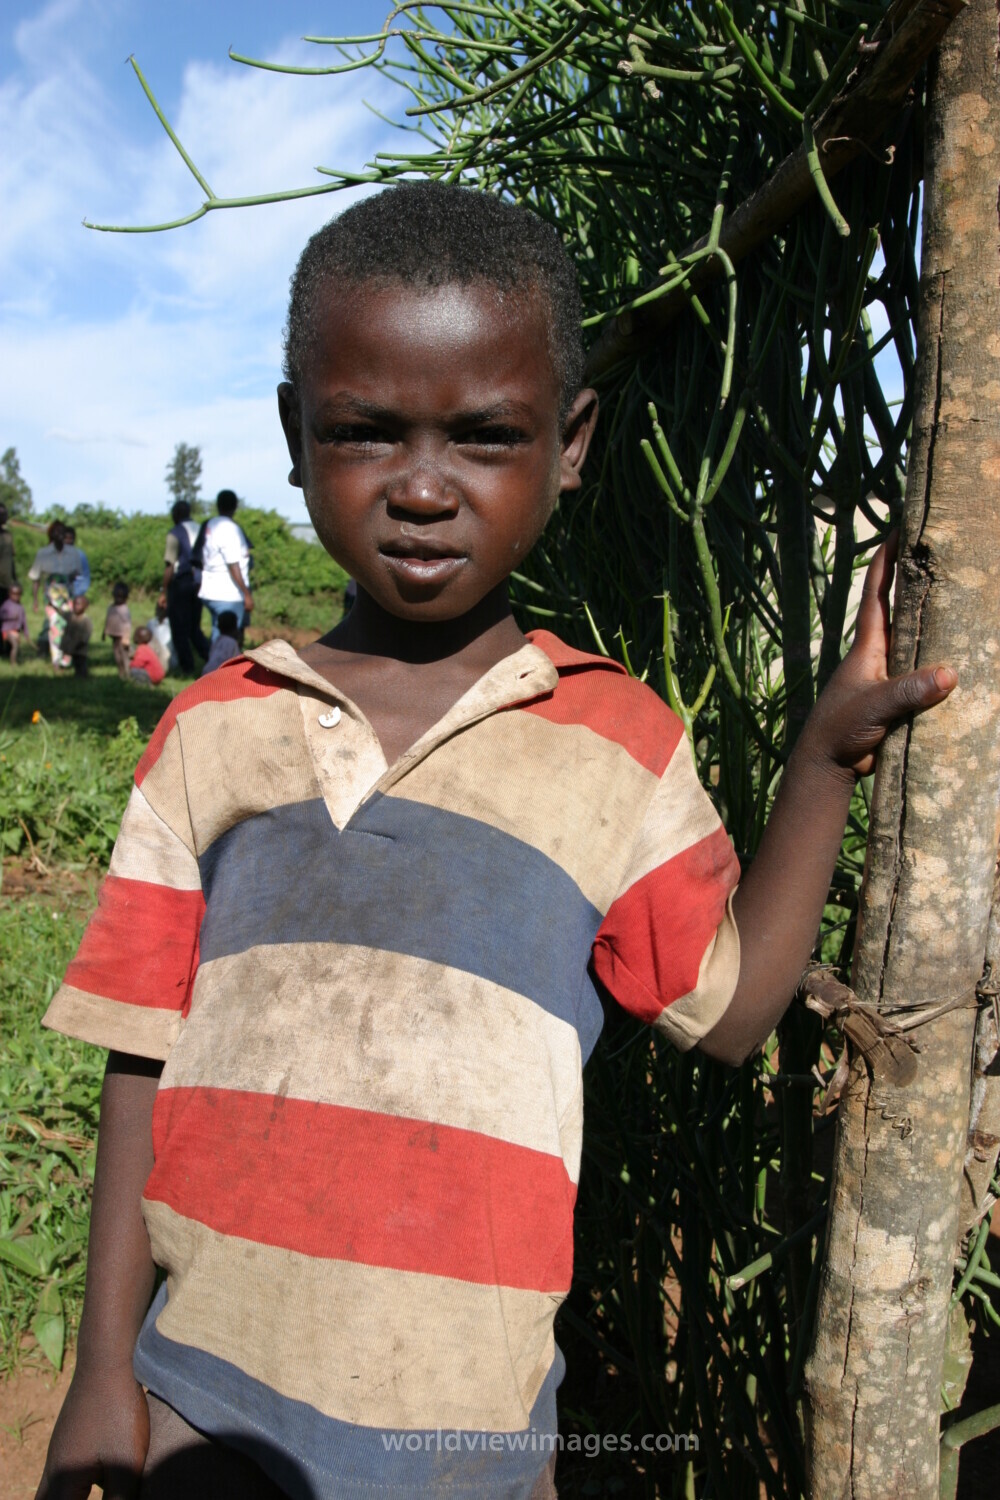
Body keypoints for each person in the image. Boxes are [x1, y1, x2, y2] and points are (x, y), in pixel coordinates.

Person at [35, 184, 957, 1500]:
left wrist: (821, 760)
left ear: (570, 444)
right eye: (364, 432)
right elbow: (143, 1057)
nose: (421, 487)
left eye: (484, 436)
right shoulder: (211, 733)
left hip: (466, 1439)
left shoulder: (618, 744)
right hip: (203, 1402)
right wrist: (99, 1381)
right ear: (296, 438)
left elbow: (737, 1010)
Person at [196, 489, 253, 641]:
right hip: (228, 594)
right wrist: (246, 594)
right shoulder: (229, 528)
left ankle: (214, 663)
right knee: (228, 640)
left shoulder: (210, 524)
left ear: (218, 505)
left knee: (218, 635)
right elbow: (233, 564)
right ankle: (220, 665)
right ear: (235, 506)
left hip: (210, 591)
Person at [160, 500, 207, 673]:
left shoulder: (175, 533)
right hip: (200, 582)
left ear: (177, 514)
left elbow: (170, 565)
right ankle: (209, 657)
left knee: (179, 626)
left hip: (182, 582)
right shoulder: (200, 528)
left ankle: (187, 666)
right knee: (195, 626)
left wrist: (163, 590)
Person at [28, 520, 82, 669]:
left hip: (67, 594)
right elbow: (36, 579)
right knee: (54, 625)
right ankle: (56, 661)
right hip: (50, 596)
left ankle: (66, 658)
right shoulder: (43, 553)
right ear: (51, 534)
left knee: (68, 626)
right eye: (56, 532)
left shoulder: (73, 553)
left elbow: (77, 575)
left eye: (62, 532)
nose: (59, 535)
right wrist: (35, 600)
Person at [58, 595, 93, 678]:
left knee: (81, 662)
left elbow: (87, 634)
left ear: (86, 606)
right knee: (75, 663)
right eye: (74, 604)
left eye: (79, 604)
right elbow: (61, 613)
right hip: (71, 645)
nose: (76, 606)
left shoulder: (86, 620)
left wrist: (81, 642)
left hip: (80, 647)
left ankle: (83, 676)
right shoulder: (70, 616)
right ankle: (77, 675)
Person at [103, 581, 132, 681]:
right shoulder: (111, 607)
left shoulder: (124, 610)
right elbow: (107, 620)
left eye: (121, 597)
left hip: (122, 637)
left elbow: (127, 624)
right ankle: (120, 672)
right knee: (117, 656)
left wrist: (126, 638)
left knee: (124, 655)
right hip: (114, 636)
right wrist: (104, 632)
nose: (118, 599)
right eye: (116, 596)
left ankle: (127, 673)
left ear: (126, 598)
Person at [199, 608, 240, 675]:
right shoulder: (232, 643)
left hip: (206, 672)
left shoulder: (217, 641)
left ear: (219, 627)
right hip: (218, 674)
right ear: (235, 627)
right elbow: (237, 661)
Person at [0, 581, 28, 664]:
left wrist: (26, 633)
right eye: (13, 594)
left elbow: (24, 621)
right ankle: (13, 663)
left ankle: (13, 658)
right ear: (9, 594)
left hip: (16, 631)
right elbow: (1, 616)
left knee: (15, 646)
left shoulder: (20, 607)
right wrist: (10, 616)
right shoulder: (6, 605)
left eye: (18, 594)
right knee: (15, 645)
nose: (16, 596)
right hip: (7, 630)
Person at [145, 602, 176, 675]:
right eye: (159, 608)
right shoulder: (151, 623)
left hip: (168, 654)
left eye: (163, 609)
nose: (160, 611)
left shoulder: (172, 623)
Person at [62, 526, 91, 599]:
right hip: (59, 594)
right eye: (65, 538)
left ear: (74, 539)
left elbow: (85, 577)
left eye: (70, 538)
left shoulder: (80, 556)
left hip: (75, 594)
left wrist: (77, 594)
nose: (68, 541)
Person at [0, 502, 16, 609]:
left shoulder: (8, 536)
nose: (4, 516)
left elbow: (11, 559)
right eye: (1, 514)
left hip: (6, 583)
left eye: (5, 513)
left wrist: (15, 579)